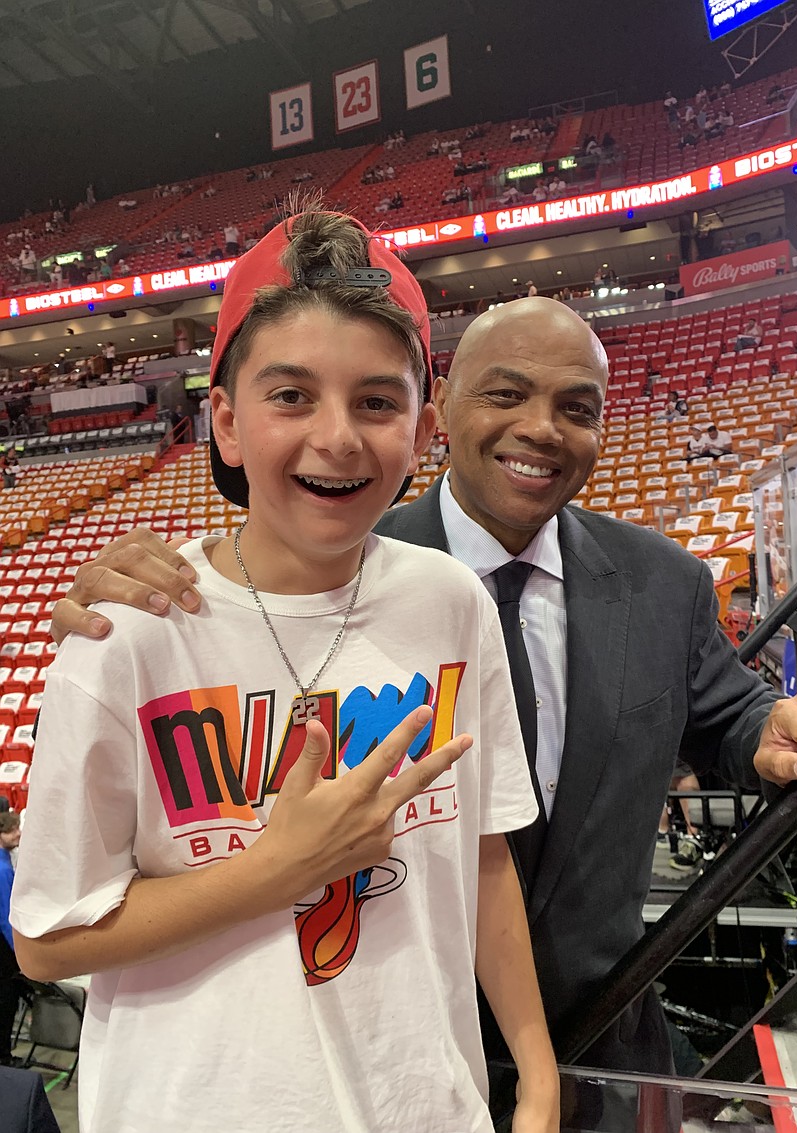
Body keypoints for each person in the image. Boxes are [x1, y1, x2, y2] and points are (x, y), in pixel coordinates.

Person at [50, 298, 797, 1127]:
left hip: (604, 1045)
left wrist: (786, 731)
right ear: (444, 409)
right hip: (389, 1048)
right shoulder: (341, 557)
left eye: (577, 408)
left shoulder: (663, 580)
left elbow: (729, 717)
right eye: (505, 394)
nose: (540, 428)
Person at [12, 210, 558, 1133]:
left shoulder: (452, 603)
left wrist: (536, 1079)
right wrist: (279, 869)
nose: (339, 437)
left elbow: (483, 855)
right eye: (291, 395)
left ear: (423, 427)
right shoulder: (128, 635)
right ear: (224, 422)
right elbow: (44, 938)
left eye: (378, 402)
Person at [0, 811, 21, 1068]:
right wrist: (20, 954)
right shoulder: (3, 869)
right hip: (5, 953)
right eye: (12, 830)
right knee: (6, 1005)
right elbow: (6, 920)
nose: (18, 834)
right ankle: (4, 1056)